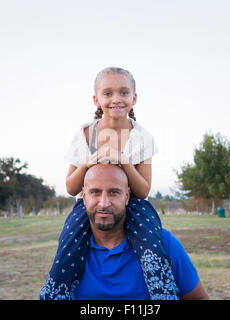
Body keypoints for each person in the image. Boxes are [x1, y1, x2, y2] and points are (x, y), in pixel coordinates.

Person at [40, 67, 181, 300]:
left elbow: (143, 190)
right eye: (108, 93)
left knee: (153, 250)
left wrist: (125, 163)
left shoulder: (142, 137)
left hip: (132, 205)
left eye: (124, 93)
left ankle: (163, 295)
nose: (116, 99)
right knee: (67, 251)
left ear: (134, 98)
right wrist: (86, 164)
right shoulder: (85, 134)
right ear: (96, 99)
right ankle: (57, 294)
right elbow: (71, 188)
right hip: (90, 205)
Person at [44, 164, 209, 300]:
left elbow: (198, 297)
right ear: (84, 197)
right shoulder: (69, 253)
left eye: (114, 192)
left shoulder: (164, 244)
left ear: (127, 196)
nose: (103, 203)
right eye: (95, 192)